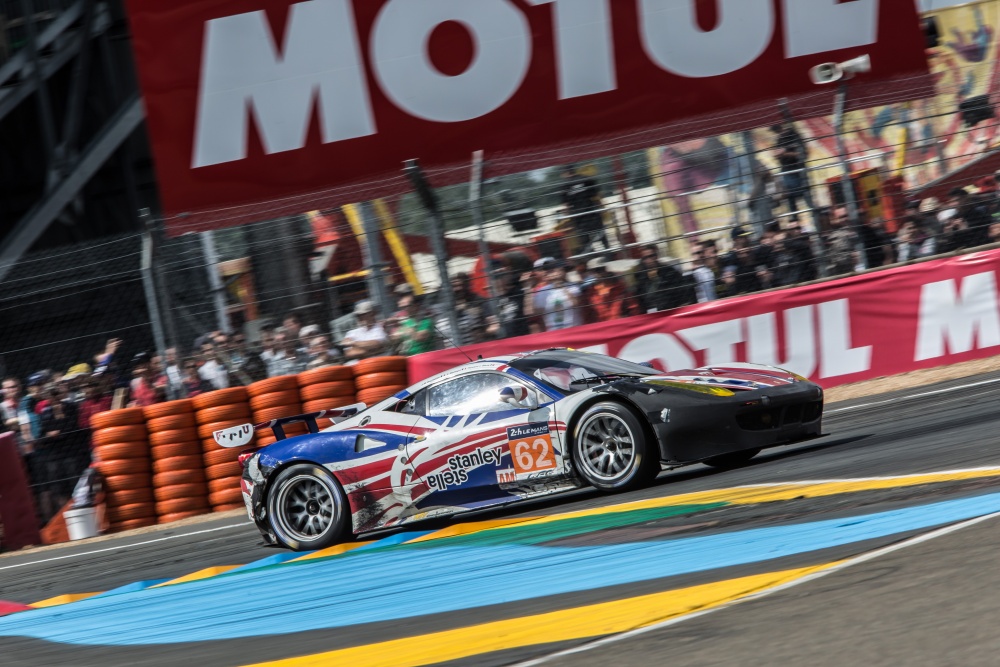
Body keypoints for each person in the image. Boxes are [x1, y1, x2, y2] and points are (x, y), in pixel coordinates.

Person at [633, 244, 696, 312]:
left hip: (671, 310)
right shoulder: (641, 276)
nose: (649, 260)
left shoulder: (669, 271)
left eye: (651, 256)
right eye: (645, 258)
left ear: (656, 256)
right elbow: (641, 299)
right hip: (652, 313)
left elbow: (681, 291)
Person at [560, 168, 607, 253]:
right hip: (592, 211)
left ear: (565, 173)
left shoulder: (565, 186)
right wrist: (602, 208)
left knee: (584, 238)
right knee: (601, 233)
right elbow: (597, 195)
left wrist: (567, 217)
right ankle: (608, 252)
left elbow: (566, 206)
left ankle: (591, 255)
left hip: (578, 215)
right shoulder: (586, 179)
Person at [771, 122, 811, 218]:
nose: (778, 133)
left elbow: (803, 154)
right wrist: (777, 155)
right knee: (790, 198)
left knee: (805, 195)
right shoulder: (780, 140)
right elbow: (777, 154)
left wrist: (785, 153)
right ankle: (794, 221)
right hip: (787, 171)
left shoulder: (794, 137)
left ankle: (815, 217)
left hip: (797, 171)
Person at [534, 261, 581, 331]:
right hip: (554, 331)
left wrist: (561, 285)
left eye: (553, 270)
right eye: (548, 271)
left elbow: (575, 304)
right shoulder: (542, 291)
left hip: (574, 328)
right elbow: (538, 311)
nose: (551, 273)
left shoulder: (572, 286)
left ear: (562, 271)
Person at [823, 207, 860, 276]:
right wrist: (852, 256)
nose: (845, 219)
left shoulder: (850, 230)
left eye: (846, 216)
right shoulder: (836, 235)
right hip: (843, 272)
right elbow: (841, 259)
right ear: (835, 220)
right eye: (841, 217)